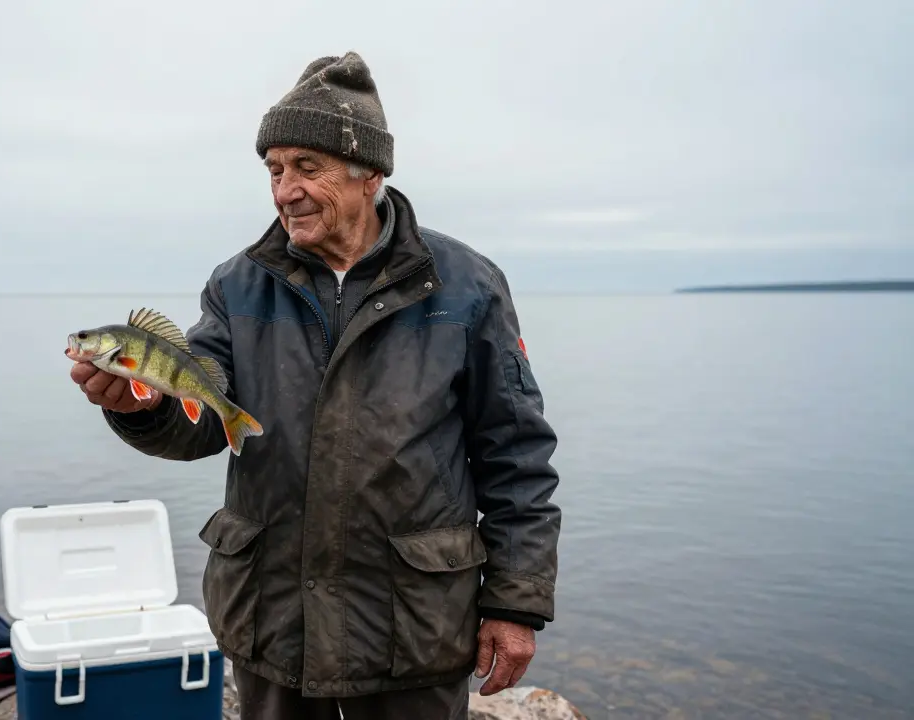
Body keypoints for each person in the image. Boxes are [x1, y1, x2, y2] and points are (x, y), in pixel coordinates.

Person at [69, 51, 562, 720]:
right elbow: (204, 406)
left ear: (372, 174)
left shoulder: (467, 286)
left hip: (410, 632)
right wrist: (142, 407)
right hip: (274, 622)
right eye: (274, 169)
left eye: (308, 167)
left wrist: (514, 602)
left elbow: (517, 453)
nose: (284, 190)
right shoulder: (236, 284)